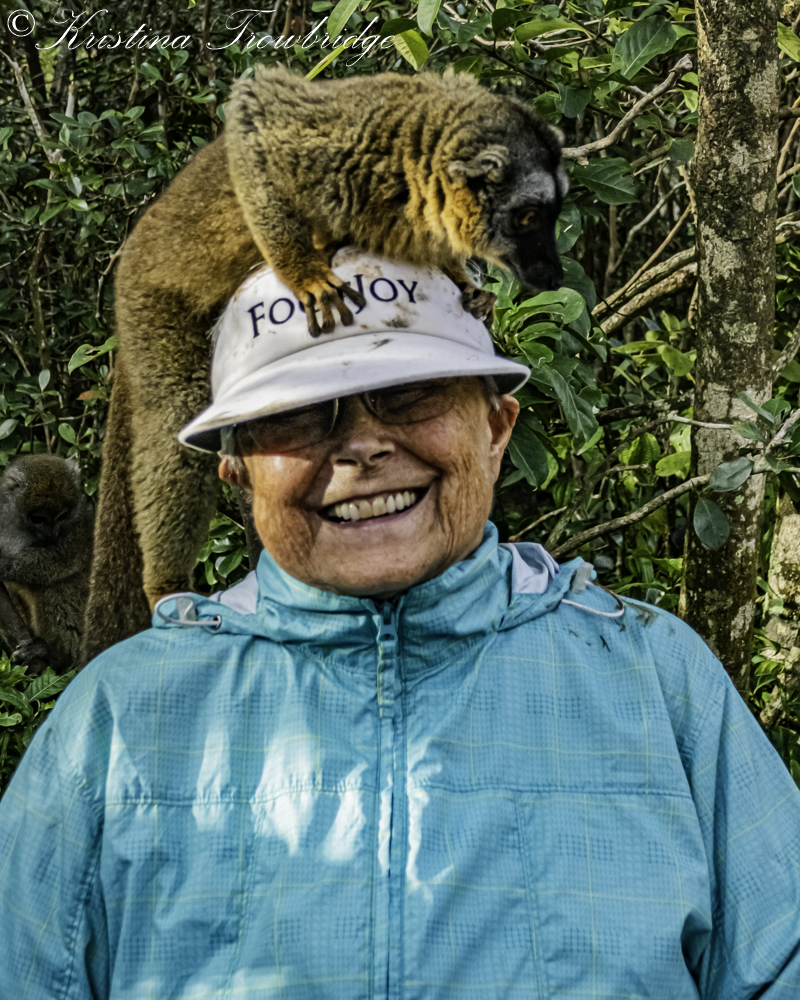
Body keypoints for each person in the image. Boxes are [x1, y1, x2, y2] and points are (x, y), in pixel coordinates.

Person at [1, 247, 799, 1000]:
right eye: (300, 414)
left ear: (496, 428)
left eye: (411, 394)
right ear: (237, 468)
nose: (361, 446)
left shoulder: (653, 680)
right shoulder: (122, 720)